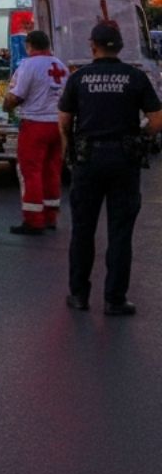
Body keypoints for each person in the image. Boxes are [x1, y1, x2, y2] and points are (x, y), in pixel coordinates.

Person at [58, 22, 162, 315]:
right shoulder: (135, 77)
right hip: (124, 161)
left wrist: (68, 151)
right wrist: (140, 140)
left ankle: (79, 295)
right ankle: (115, 299)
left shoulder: (79, 79)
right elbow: (157, 119)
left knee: (82, 230)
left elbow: (64, 120)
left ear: (93, 46)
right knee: (120, 232)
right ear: (121, 47)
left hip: (87, 160)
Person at [3, 30, 68, 235]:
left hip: (35, 124)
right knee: (52, 169)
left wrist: (6, 106)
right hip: (57, 125)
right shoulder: (61, 66)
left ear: (29, 45)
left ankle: (33, 219)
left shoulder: (28, 65)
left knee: (30, 171)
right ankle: (50, 216)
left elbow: (16, 96)